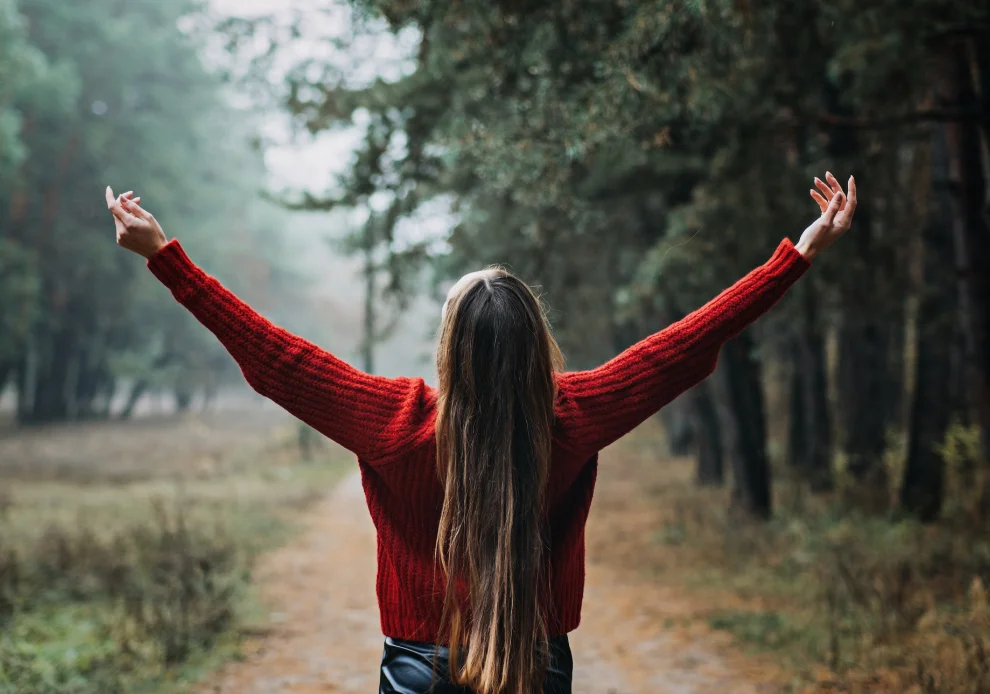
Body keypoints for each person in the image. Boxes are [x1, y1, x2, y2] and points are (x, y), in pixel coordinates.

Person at [105, 172, 857, 694]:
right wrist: (796, 257)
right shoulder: (570, 416)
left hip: (417, 668)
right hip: (538, 665)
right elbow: (683, 346)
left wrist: (168, 259)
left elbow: (276, 358)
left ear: (449, 348)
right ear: (536, 345)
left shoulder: (396, 423)